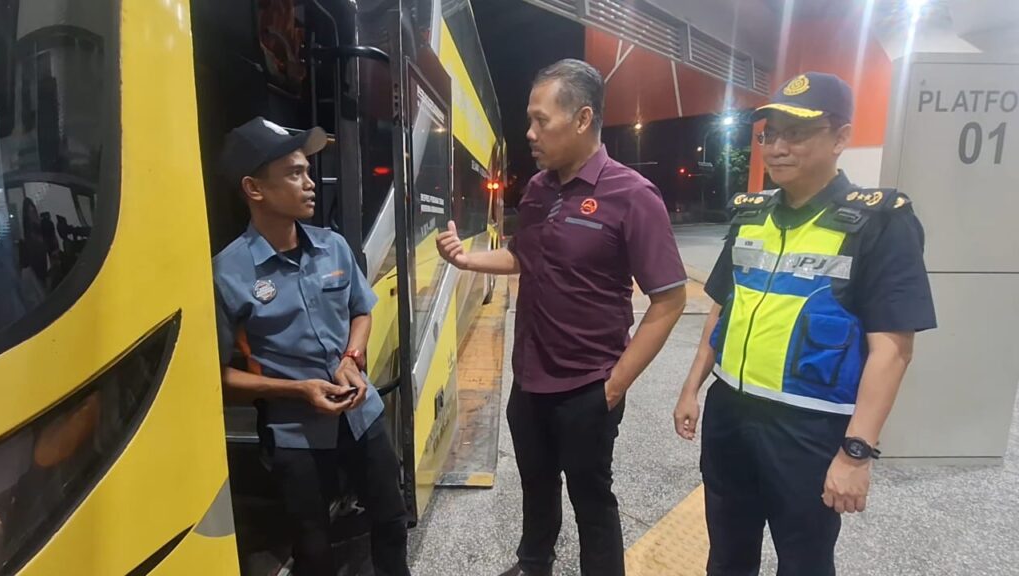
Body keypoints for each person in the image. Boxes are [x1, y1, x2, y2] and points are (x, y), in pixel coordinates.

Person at [673, 72, 937, 575]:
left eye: (796, 133)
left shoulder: (879, 223)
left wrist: (856, 453)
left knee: (804, 562)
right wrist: (692, 389)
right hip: (730, 414)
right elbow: (723, 306)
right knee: (726, 555)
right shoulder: (751, 216)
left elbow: (893, 348)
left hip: (809, 426)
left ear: (840, 138)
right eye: (769, 135)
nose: (777, 148)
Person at [437, 59, 687, 576]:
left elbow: (669, 301)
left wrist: (614, 386)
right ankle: (534, 565)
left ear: (582, 118)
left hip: (587, 386)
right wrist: (466, 260)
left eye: (541, 120)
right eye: (529, 120)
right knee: (535, 485)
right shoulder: (538, 189)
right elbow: (523, 256)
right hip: (529, 380)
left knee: (592, 500)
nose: (529, 133)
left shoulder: (632, 195)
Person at [212, 117, 410, 576]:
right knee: (313, 548)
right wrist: (298, 390)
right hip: (294, 434)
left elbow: (362, 310)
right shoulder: (227, 273)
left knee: (391, 518)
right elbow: (217, 377)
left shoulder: (333, 247)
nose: (310, 182)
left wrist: (351, 358)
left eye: (307, 170)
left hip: (362, 415)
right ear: (254, 189)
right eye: (294, 173)